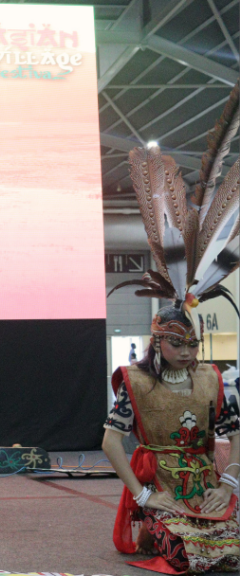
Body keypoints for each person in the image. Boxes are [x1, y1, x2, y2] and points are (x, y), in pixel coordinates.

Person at [103, 135, 240, 573]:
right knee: (192, 556)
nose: (187, 351)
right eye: (176, 342)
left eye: (193, 343)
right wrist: (143, 496)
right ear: (157, 341)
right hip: (160, 486)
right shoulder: (137, 383)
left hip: (206, 485)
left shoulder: (210, 380)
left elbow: (235, 433)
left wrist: (230, 483)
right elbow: (109, 442)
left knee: (230, 554)